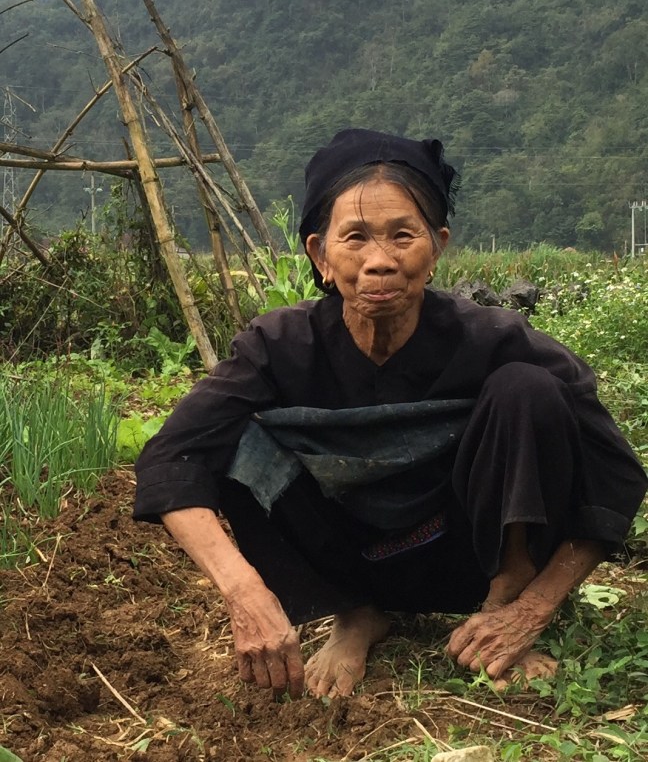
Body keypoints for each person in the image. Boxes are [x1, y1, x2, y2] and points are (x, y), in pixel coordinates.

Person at [134, 128, 647, 701]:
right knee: (238, 438)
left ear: (438, 248)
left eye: (403, 235)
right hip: (349, 556)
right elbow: (170, 458)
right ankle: (357, 613)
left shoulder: (495, 338)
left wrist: (534, 608)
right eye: (354, 238)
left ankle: (506, 596)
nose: (380, 262)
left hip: (468, 555)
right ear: (319, 255)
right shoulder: (278, 346)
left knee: (527, 389)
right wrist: (246, 593)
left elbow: (614, 470)